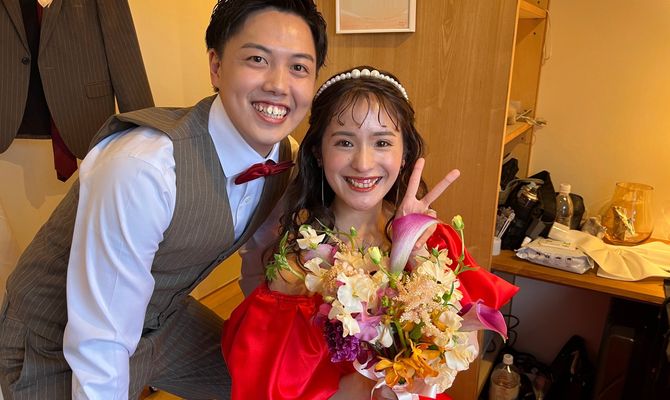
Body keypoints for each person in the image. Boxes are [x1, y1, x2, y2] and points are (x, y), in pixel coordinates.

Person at [0, 1, 327, 399]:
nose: (278, 84)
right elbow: (100, 339)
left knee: (269, 387)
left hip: (162, 319)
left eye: (299, 67)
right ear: (216, 66)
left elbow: (261, 260)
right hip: (55, 340)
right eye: (257, 59)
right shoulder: (143, 166)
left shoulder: (284, 157)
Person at [223, 66, 519, 399]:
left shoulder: (432, 240)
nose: (363, 163)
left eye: (381, 142)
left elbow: (466, 346)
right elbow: (270, 389)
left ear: (405, 153)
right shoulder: (298, 270)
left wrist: (416, 255)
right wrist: (376, 383)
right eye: (345, 142)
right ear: (318, 153)